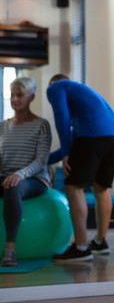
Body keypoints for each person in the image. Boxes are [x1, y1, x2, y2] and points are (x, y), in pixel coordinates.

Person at [47, 74, 114, 262]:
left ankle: (81, 247)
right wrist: (45, 160)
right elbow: (74, 142)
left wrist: (66, 153)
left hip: (94, 135)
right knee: (100, 188)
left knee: (73, 186)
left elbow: (61, 117)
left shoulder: (56, 87)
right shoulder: (86, 104)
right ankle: (99, 242)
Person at [0, 77, 52, 266]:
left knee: (13, 187)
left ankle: (10, 249)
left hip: (34, 179)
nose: (15, 99)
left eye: (20, 95)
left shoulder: (41, 125)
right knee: (10, 183)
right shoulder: (2, 126)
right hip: (6, 176)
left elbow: (41, 161)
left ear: (31, 97)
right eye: (12, 95)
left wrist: (19, 175)